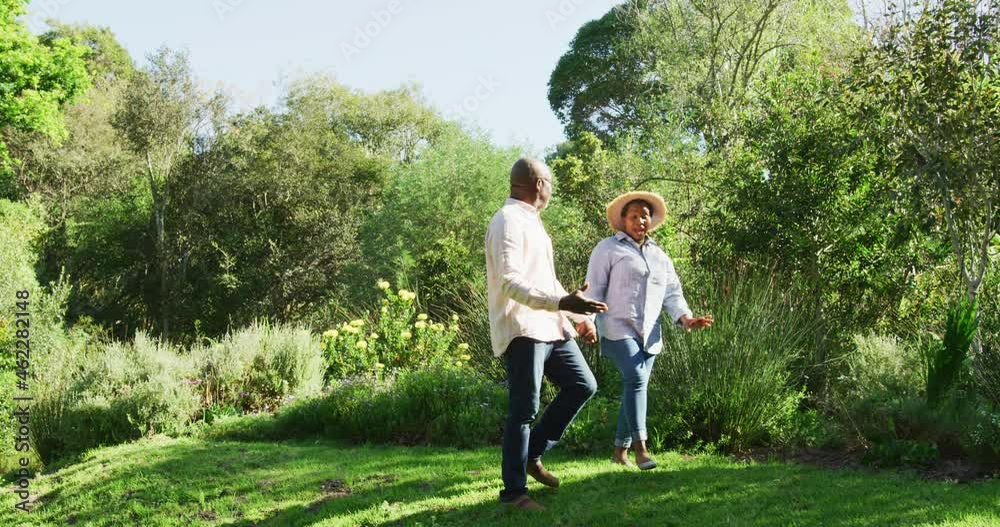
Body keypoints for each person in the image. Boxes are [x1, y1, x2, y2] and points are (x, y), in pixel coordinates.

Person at [486, 158, 608, 511]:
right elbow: (510, 283)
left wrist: (576, 314)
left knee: (583, 384)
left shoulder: (534, 224)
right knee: (524, 408)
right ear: (539, 184)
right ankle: (514, 493)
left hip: (550, 326)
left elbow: (546, 282)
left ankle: (532, 453)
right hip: (523, 328)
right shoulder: (506, 220)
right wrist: (559, 301)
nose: (551, 190)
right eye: (550, 182)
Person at [585, 191, 713, 470]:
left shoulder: (659, 256)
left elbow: (672, 293)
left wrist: (687, 319)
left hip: (649, 331)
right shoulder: (608, 249)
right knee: (636, 379)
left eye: (644, 215)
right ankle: (642, 450)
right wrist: (587, 321)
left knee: (635, 387)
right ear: (623, 220)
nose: (640, 220)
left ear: (650, 220)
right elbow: (593, 288)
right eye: (633, 216)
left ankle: (620, 452)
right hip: (618, 326)